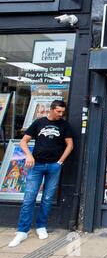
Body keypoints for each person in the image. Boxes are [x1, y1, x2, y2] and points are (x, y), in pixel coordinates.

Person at [8, 100, 73, 247]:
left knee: (48, 198)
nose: (61, 114)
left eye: (63, 112)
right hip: (36, 165)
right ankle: (22, 231)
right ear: (51, 110)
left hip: (54, 166)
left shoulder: (65, 125)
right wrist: (29, 155)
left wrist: (60, 162)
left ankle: (41, 226)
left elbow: (70, 144)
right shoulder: (39, 122)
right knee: (29, 198)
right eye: (58, 111)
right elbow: (23, 142)